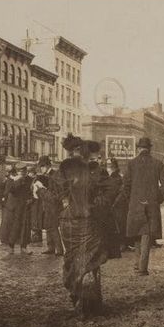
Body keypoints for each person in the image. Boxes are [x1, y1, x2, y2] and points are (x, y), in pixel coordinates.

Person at [35, 134, 108, 316]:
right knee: (91, 261)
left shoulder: (64, 169)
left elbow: (53, 199)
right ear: (82, 151)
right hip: (89, 221)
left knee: (73, 259)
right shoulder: (94, 170)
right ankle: (93, 305)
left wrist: (41, 190)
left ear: (69, 152)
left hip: (69, 223)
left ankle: (78, 298)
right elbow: (108, 193)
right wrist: (96, 206)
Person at [123, 137, 164, 276]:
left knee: (137, 234)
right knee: (146, 235)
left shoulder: (131, 164)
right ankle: (142, 268)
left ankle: (138, 265)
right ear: (150, 149)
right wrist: (157, 199)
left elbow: (125, 185)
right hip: (151, 205)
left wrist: (131, 200)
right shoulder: (158, 164)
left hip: (135, 204)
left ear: (138, 149)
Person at [37, 155, 63, 256]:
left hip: (54, 206)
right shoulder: (47, 176)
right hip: (47, 205)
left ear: (48, 166)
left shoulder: (54, 176)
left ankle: (59, 250)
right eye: (40, 166)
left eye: (42, 166)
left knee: (53, 226)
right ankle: (50, 247)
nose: (41, 168)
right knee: (48, 225)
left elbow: (55, 194)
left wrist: (41, 190)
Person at [5, 162, 33, 254]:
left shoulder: (29, 179)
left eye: (24, 171)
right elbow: (10, 190)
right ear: (17, 172)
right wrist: (18, 180)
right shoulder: (12, 179)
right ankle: (11, 246)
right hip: (15, 207)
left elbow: (31, 191)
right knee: (15, 226)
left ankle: (24, 246)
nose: (23, 173)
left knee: (25, 227)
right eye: (21, 172)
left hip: (25, 206)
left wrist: (31, 199)